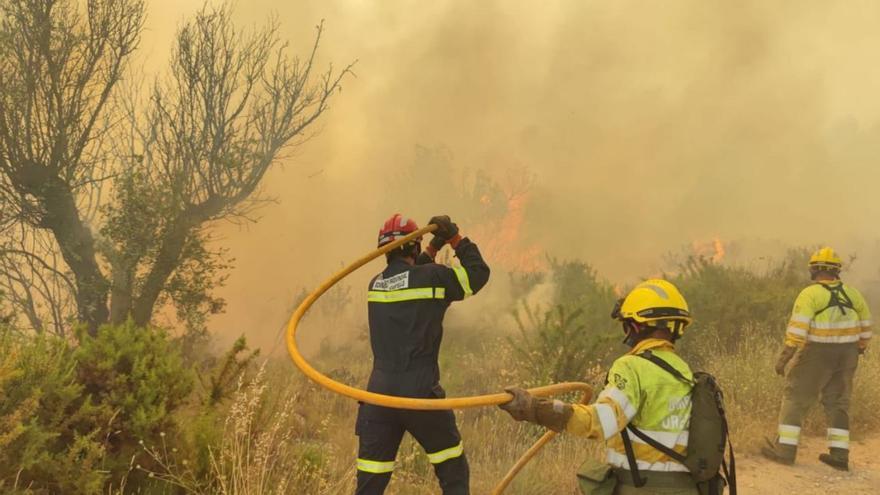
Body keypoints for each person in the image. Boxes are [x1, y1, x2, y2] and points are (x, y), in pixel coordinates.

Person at [499, 279, 707, 494]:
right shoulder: (685, 372)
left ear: (636, 326)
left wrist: (534, 408)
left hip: (642, 489)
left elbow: (601, 422)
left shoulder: (632, 367)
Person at [355, 214, 490, 495]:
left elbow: (408, 278)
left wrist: (433, 247)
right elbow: (478, 273)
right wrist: (454, 238)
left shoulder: (375, 285)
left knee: (370, 484)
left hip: (378, 395)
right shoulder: (433, 277)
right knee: (452, 470)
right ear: (413, 247)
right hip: (419, 393)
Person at [761, 247, 872, 471]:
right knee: (838, 402)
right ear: (837, 270)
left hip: (817, 354)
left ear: (813, 270)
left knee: (795, 397)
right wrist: (858, 349)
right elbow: (867, 329)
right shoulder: (853, 294)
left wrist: (785, 358)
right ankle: (840, 456)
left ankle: (785, 451)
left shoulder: (810, 294)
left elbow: (798, 330)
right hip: (848, 354)